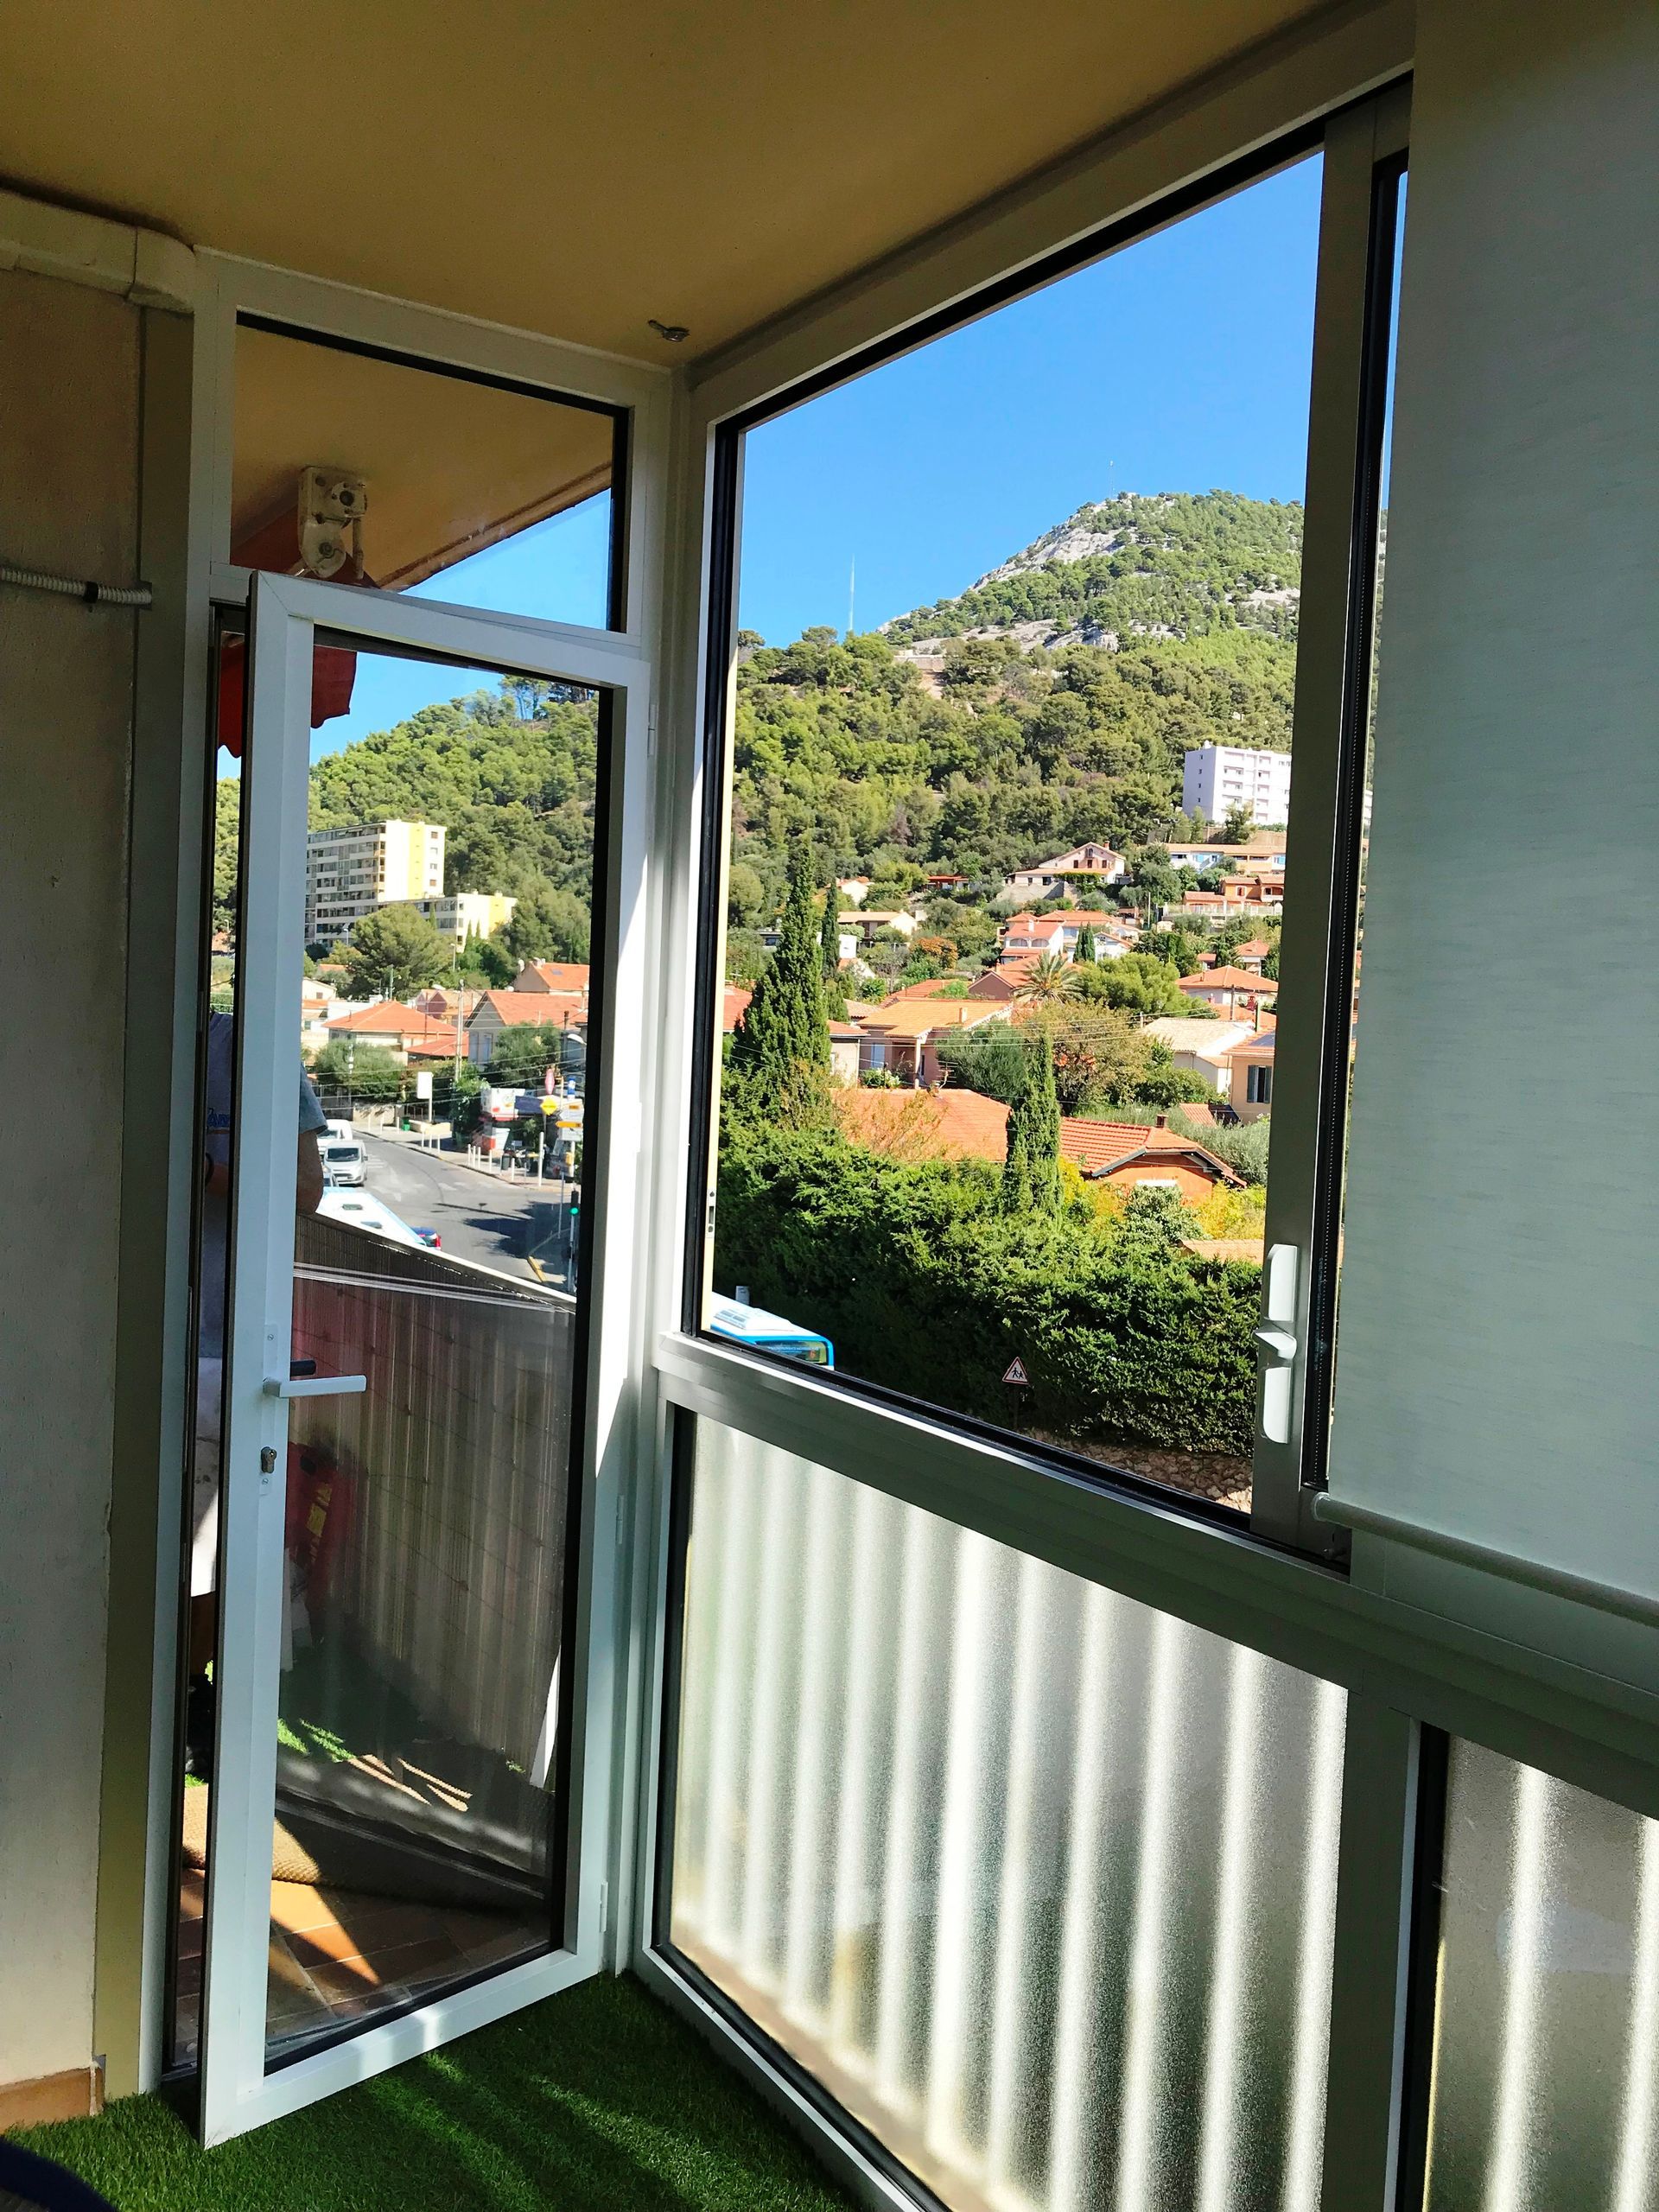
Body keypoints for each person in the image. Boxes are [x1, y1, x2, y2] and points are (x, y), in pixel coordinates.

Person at [185, 1009, 327, 1776]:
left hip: (220, 1353)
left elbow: (307, 1191)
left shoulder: (247, 1049)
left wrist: (203, 1172)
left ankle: (182, 1692)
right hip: (113, 1345)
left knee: (209, 1551)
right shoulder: (116, 1034)